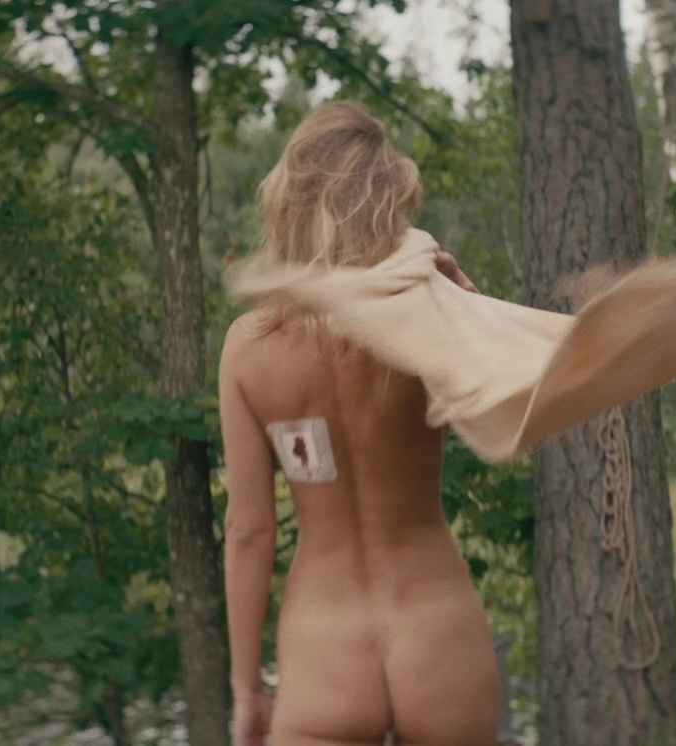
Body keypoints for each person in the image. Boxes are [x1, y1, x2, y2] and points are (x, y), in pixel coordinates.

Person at [218, 101, 498, 746]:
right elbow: (500, 411)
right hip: (438, 634)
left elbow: (249, 532)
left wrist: (246, 688)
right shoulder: (428, 319)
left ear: (288, 202)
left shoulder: (249, 347)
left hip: (325, 650)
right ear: (388, 202)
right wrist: (464, 293)